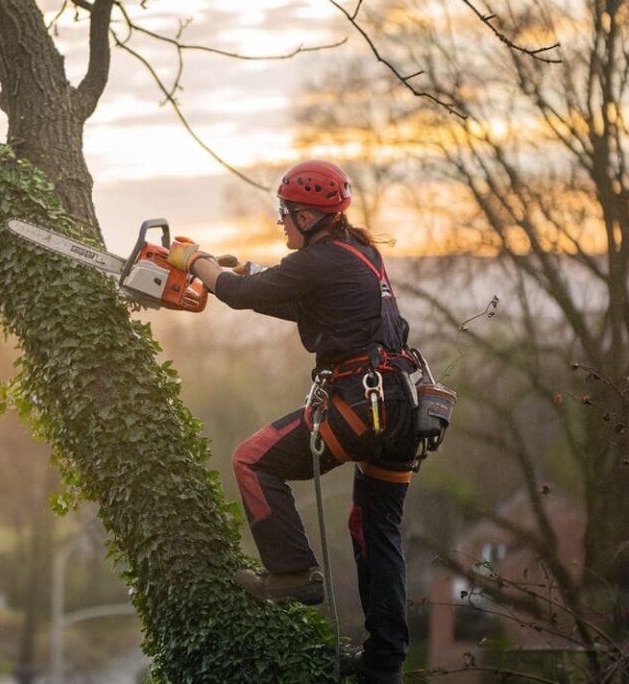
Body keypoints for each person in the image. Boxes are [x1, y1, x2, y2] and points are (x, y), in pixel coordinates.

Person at [167, 160, 420, 684]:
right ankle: (384, 665)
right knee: (375, 530)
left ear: (308, 216)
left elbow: (245, 296)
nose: (281, 222)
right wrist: (231, 273)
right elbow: (292, 300)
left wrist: (196, 263)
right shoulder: (358, 254)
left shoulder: (321, 260)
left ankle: (293, 573)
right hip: (403, 410)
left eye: (285, 213)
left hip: (361, 405)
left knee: (252, 460)